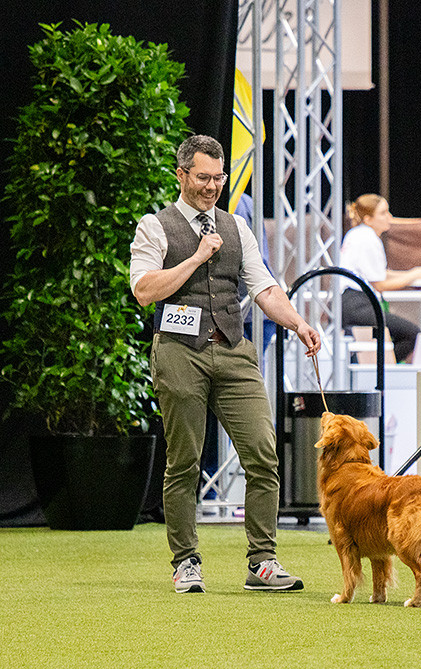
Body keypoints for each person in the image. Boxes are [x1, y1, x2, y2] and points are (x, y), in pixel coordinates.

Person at [130, 134, 321, 594]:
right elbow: (144, 290)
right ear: (181, 175)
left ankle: (263, 562)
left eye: (218, 177)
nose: (211, 186)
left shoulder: (238, 228)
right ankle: (186, 561)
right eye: (202, 177)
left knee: (262, 451)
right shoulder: (154, 227)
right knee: (185, 462)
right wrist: (196, 256)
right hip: (179, 349)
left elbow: (265, 288)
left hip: (233, 349)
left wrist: (297, 322)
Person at [339, 194, 421, 362]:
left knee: (366, 350)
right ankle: (383, 370)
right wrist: (413, 276)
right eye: (383, 213)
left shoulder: (357, 234)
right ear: (368, 219)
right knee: (412, 334)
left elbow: (379, 273)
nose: (390, 217)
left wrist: (413, 273)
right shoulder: (368, 238)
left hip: (351, 302)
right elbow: (380, 284)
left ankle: (379, 368)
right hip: (357, 304)